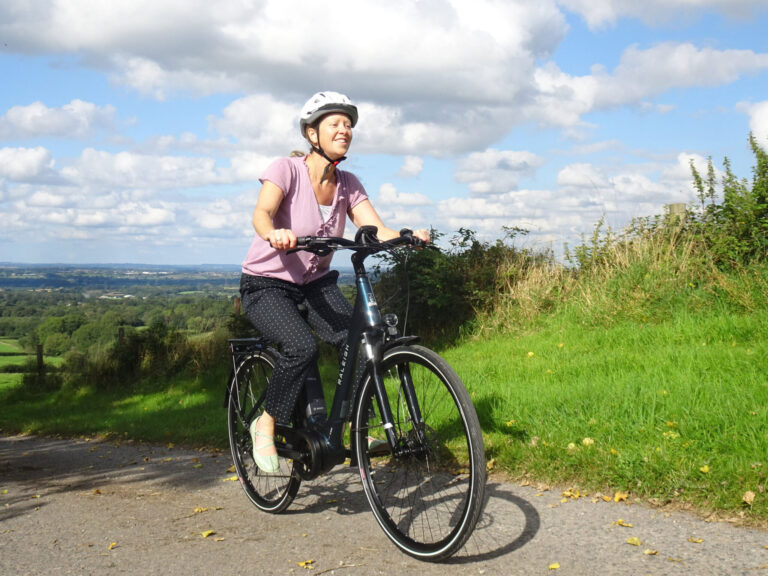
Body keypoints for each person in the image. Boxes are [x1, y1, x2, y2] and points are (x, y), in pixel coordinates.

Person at [239, 91, 429, 473]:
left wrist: (407, 235)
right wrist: (274, 233)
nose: (345, 130)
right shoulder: (285, 169)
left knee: (357, 340)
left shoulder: (348, 183)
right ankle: (267, 421)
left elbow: (374, 228)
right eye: (335, 124)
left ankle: (354, 427)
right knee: (300, 347)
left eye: (348, 125)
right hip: (267, 284)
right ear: (313, 134)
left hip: (316, 284)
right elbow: (262, 213)